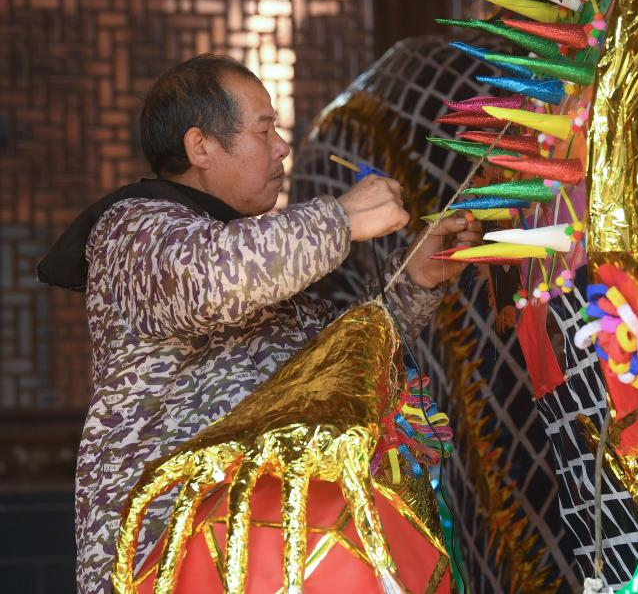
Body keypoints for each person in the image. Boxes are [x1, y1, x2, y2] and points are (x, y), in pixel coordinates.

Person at [36, 54, 483, 593]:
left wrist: (414, 278)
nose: (282, 146)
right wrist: (343, 217)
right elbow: (214, 277)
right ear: (201, 146)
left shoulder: (261, 258)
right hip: (169, 558)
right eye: (264, 130)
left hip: (264, 553)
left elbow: (333, 363)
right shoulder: (134, 229)